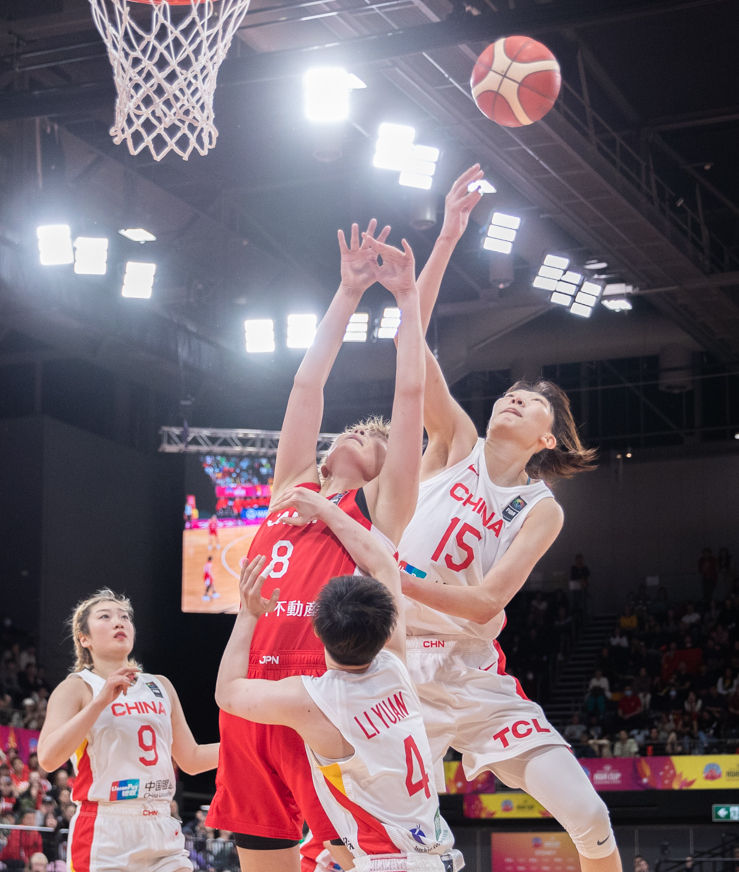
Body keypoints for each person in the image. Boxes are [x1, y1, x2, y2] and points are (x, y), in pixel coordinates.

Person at [396, 164, 622, 872]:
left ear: (547, 438)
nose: (515, 398)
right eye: (511, 393)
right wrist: (447, 238)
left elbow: (487, 602)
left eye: (533, 402)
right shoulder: (453, 442)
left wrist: (389, 575)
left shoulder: (540, 508)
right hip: (393, 662)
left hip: (468, 671)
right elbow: (411, 345)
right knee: (382, 845)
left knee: (589, 815)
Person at [207, 220, 426, 872]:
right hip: (251, 687)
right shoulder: (291, 488)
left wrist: (408, 300)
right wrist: (347, 293)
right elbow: (306, 388)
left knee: (346, 854)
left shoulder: (378, 509)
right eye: (355, 429)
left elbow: (409, 396)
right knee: (262, 856)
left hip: (322, 692)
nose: (360, 432)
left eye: (375, 439)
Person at [216, 542, 461, 872]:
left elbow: (227, 693)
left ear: (317, 631)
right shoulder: (395, 667)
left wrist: (248, 614)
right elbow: (385, 565)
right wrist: (327, 513)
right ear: (389, 629)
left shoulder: (313, 700)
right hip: (438, 857)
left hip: (389, 864)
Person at [37, 589, 219, 872]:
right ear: (84, 638)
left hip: (160, 822)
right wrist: (99, 702)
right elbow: (48, 758)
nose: (119, 622)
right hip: (105, 828)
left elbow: (192, 759)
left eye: (124, 617)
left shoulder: (160, 685)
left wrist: (249, 744)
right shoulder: (76, 687)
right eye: (105, 617)